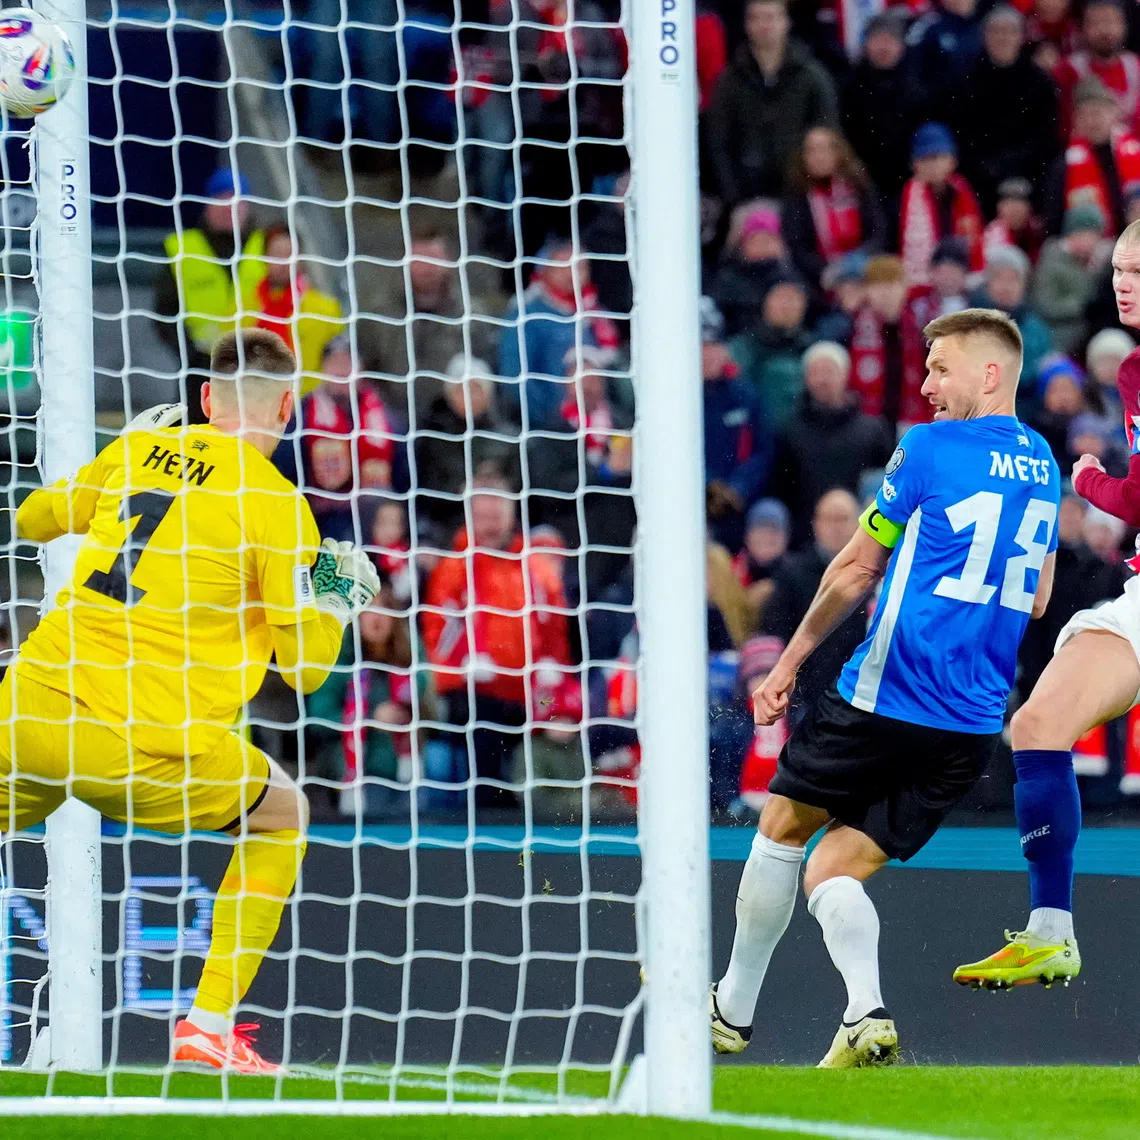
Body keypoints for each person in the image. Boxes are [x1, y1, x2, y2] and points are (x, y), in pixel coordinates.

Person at [1, 328, 381, 1072]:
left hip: (32, 708)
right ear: (286, 409)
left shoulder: (139, 452)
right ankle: (206, 1025)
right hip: (145, 745)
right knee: (282, 816)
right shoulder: (276, 504)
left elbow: (32, 520)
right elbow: (303, 673)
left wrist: (118, 449)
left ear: (206, 399)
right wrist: (341, 599)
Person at [712, 308, 1059, 1065]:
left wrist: (788, 661)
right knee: (833, 869)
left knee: (781, 829)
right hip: (971, 725)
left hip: (888, 693)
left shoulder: (927, 450)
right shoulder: (1042, 460)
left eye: (941, 368)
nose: (928, 384)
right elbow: (1035, 598)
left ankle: (730, 1011)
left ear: (990, 373)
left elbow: (857, 566)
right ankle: (865, 1014)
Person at [952, 221, 1140, 990]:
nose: (1124, 281)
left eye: (1139, 269)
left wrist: (1090, 483)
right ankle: (1049, 931)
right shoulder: (1132, 370)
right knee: (1037, 722)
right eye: (1121, 268)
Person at [421, 468, 572, 808]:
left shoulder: (536, 569)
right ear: (469, 516)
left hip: (532, 695)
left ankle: (547, 811)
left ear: (512, 514)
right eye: (483, 514)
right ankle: (492, 818)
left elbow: (556, 630)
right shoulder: (454, 568)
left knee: (559, 722)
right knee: (485, 730)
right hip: (472, 691)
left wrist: (552, 667)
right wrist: (462, 666)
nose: (491, 523)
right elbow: (438, 630)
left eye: (497, 513)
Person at [154, 169, 267, 423]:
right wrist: (188, 353)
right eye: (221, 199)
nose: (229, 208)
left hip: (258, 366)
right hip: (201, 367)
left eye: (236, 200)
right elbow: (164, 311)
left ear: (248, 207)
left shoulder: (268, 245)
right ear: (207, 204)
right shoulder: (182, 247)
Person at [705, 0, 839, 206]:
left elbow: (828, 134)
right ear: (746, 25)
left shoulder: (812, 77)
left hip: (802, 200)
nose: (763, 25)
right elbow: (719, 143)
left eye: (770, 17)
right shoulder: (729, 81)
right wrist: (734, 198)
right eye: (755, 18)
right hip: (746, 200)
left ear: (786, 21)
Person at [770, 342, 893, 546]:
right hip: (806, 543)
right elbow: (782, 490)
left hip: (863, 540)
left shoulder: (873, 430)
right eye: (815, 372)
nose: (822, 379)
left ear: (844, 375)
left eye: (829, 371)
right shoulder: (790, 432)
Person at [760, 487, 866, 718]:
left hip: (860, 694)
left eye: (842, 519)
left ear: (860, 523)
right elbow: (774, 631)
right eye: (828, 519)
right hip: (806, 696)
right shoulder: (792, 574)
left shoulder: (876, 573)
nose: (835, 527)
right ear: (815, 524)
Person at [952, 6, 1061, 214]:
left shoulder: (1040, 82)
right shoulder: (965, 79)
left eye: (1010, 31)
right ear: (984, 36)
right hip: (979, 176)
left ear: (1021, 37)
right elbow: (961, 132)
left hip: (1028, 174)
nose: (1003, 38)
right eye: (995, 31)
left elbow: (1045, 137)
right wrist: (986, 167)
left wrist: (1013, 165)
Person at [701, 297, 773, 552]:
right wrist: (709, 487)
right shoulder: (674, 402)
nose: (706, 354)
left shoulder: (745, 395)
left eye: (712, 345)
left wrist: (737, 489)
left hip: (741, 505)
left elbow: (762, 451)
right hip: (692, 503)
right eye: (699, 346)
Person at [781, 126, 887, 287]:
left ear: (838, 152)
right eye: (812, 150)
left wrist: (859, 260)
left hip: (865, 270)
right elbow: (798, 248)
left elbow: (878, 231)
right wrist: (831, 270)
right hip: (820, 280)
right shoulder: (797, 195)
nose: (819, 156)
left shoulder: (859, 185)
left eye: (825, 149)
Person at [243, 226, 344, 395]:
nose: (283, 262)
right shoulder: (242, 309)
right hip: (256, 405)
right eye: (276, 254)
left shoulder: (325, 310)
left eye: (289, 254)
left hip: (309, 408)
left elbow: (338, 363)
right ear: (264, 258)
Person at [841, 12, 928, 203]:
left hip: (906, 181)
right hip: (861, 181)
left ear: (901, 47)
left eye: (890, 41)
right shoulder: (850, 87)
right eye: (878, 40)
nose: (884, 48)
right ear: (866, 44)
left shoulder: (917, 89)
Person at [1051, 76, 1140, 238]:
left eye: (1097, 112)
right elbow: (1053, 221)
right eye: (1083, 115)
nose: (1091, 121)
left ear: (1114, 112)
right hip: (1089, 251)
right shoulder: (1064, 165)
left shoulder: (1136, 154)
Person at [899, 124, 985, 286]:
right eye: (925, 159)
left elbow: (976, 242)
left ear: (952, 161)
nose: (933, 165)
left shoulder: (963, 194)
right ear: (915, 165)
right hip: (922, 280)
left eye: (938, 157)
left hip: (962, 276)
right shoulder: (904, 200)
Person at [1034, 205, 1113, 354]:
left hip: (1088, 334)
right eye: (1092, 235)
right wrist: (1082, 305)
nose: (1096, 241)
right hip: (1061, 335)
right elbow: (1046, 305)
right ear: (1075, 234)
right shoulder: (1052, 262)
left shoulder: (1092, 262)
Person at [1055, 0, 1140, 138]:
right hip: (1084, 154)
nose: (1105, 30)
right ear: (1083, 29)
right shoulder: (1067, 71)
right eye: (1096, 22)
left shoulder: (1136, 66)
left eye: (1111, 21)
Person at [709, 203, 794, 338]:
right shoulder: (729, 277)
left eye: (768, 240)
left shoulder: (790, 277)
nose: (763, 247)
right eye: (756, 241)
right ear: (743, 246)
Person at [974, 246, 1054, 388]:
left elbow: (1046, 368)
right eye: (999, 279)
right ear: (988, 284)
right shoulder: (971, 326)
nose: (1006, 287)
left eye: (1013, 280)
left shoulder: (1036, 328)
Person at [982, 178, 1046, 266]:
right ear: (999, 210)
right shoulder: (992, 238)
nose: (1015, 216)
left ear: (1029, 209)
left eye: (1018, 211)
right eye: (1010, 212)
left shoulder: (1038, 231)